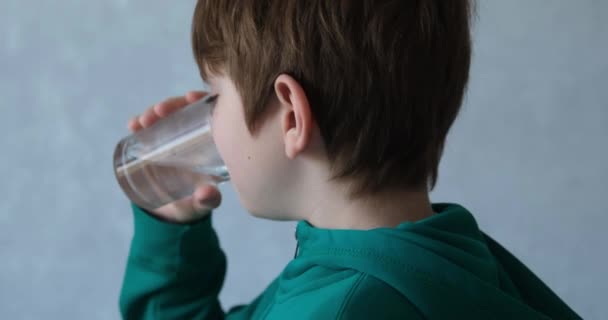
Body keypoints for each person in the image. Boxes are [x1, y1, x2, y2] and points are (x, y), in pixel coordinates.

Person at [119, 1, 581, 319]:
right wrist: (171, 230)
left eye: (216, 96)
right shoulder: (454, 262)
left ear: (291, 117)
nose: (207, 116)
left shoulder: (346, 307)